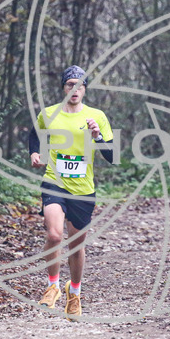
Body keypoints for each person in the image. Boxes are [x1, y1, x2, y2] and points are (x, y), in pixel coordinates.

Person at [27, 65, 115, 318]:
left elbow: (113, 156)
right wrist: (34, 152)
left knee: (76, 245)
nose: (74, 89)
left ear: (85, 89)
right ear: (63, 88)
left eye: (80, 85)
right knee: (54, 236)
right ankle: (52, 285)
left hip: (83, 189)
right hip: (54, 182)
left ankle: (74, 291)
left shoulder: (96, 116)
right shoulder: (50, 113)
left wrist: (97, 136)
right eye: (69, 84)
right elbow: (35, 134)